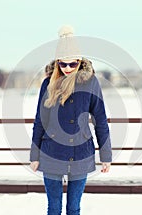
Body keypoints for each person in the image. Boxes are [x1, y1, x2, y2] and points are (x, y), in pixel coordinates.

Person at [30, 25, 112, 215]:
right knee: (54, 208)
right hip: (52, 153)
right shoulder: (48, 84)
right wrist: (34, 155)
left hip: (81, 154)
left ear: (79, 61)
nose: (67, 68)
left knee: (74, 208)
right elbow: (40, 121)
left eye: (72, 64)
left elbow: (100, 120)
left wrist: (106, 156)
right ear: (57, 62)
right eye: (63, 64)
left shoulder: (90, 82)